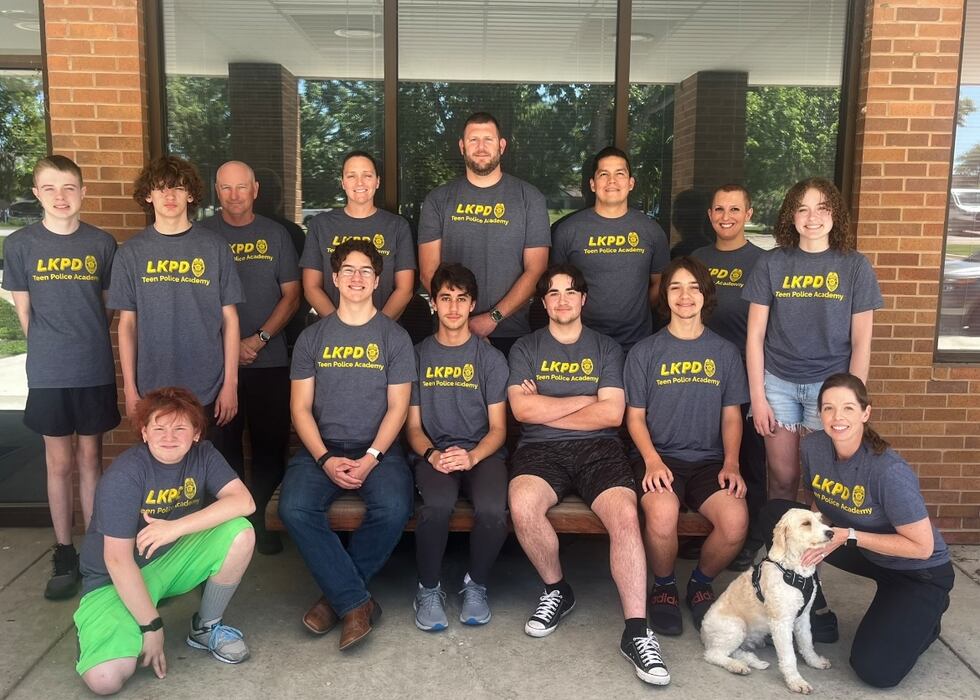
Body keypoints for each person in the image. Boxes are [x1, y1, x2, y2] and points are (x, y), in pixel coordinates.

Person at [507, 263, 670, 686]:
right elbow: (522, 411)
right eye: (553, 294)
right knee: (523, 505)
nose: (562, 300)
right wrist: (585, 399)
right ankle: (557, 589)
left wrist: (548, 404)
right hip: (539, 450)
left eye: (570, 292)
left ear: (583, 299)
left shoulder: (607, 348)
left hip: (600, 448)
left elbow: (613, 413)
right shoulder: (525, 347)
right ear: (544, 304)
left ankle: (636, 630)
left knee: (624, 516)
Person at [757, 373, 953, 689]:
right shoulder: (814, 446)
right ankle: (813, 605)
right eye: (829, 408)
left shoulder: (888, 471)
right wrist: (826, 532)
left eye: (848, 408)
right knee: (776, 516)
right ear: (819, 414)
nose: (837, 418)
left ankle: (927, 617)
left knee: (876, 671)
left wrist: (848, 535)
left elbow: (922, 547)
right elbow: (816, 506)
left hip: (917, 570)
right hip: (862, 549)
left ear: (865, 412)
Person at [278, 239, 416, 651]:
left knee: (395, 507)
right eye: (349, 271)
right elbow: (299, 408)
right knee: (294, 507)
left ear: (378, 281)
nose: (357, 279)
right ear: (335, 279)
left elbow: (398, 408)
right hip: (322, 449)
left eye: (366, 272)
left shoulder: (394, 337)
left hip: (379, 450)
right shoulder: (312, 337)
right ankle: (356, 601)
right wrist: (323, 458)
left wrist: (372, 457)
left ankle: (334, 600)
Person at [73, 387, 255, 695]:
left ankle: (206, 627)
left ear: (196, 433)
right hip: (115, 579)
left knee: (240, 531)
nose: (168, 436)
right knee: (105, 680)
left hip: (170, 561)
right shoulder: (126, 474)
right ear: (144, 432)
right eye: (159, 427)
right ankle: (98, 627)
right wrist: (151, 626)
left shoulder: (204, 454)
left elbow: (244, 502)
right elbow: (116, 560)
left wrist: (174, 528)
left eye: (180, 427)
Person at [2, 155, 119, 600]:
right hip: (49, 372)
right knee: (59, 462)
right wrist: (53, 349)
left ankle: (93, 554)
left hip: (93, 369)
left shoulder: (102, 244)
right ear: (36, 194)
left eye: (69, 187)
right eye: (49, 188)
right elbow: (24, 313)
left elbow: (107, 307)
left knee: (91, 460)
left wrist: (82, 341)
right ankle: (64, 550)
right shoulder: (21, 245)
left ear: (82, 192)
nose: (60, 197)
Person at [625, 257, 749, 635]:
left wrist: (731, 463)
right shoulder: (645, 352)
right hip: (658, 457)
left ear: (705, 295)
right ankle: (663, 587)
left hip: (709, 461)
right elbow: (634, 417)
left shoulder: (725, 353)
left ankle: (699, 583)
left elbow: (731, 416)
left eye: (694, 287)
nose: (685, 295)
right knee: (661, 515)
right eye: (676, 287)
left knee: (735, 522)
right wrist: (650, 460)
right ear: (665, 296)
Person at [743, 177, 882, 501]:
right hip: (778, 384)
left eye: (822, 208)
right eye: (802, 209)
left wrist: (851, 402)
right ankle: (781, 549)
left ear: (835, 214)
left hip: (830, 386)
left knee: (823, 483)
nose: (812, 217)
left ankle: (819, 552)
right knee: (782, 477)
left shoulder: (855, 266)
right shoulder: (772, 263)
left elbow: (862, 341)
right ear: (791, 216)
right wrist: (758, 398)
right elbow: (754, 336)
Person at [202, 161, 301, 555]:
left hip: (269, 360)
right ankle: (230, 528)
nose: (234, 195)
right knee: (222, 446)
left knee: (268, 447)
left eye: (241, 187)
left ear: (255, 188)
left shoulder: (276, 236)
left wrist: (257, 340)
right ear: (216, 190)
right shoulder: (203, 235)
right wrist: (228, 346)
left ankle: (259, 520)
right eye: (225, 188)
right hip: (216, 364)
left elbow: (292, 296)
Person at [405, 263, 509, 631]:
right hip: (434, 452)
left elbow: (499, 429)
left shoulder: (490, 360)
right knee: (436, 505)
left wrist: (473, 455)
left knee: (495, 509)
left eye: (461, 299)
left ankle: (475, 585)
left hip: (481, 453)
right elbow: (413, 427)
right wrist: (433, 454)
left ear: (472, 304)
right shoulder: (416, 356)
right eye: (445, 298)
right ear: (433, 303)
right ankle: (428, 588)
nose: (453, 307)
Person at [108, 156, 244, 432]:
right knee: (163, 470)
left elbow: (230, 320)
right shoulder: (131, 253)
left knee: (211, 469)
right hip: (153, 386)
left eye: (179, 188)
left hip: (210, 385)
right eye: (161, 188)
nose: (169, 196)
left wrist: (230, 383)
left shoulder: (215, 248)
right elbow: (127, 325)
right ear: (148, 195)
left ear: (190, 194)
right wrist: (130, 389)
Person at [418, 112, 550, 356]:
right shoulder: (438, 200)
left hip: (511, 333)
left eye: (488, 139)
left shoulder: (529, 198)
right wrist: (460, 319)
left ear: (501, 145)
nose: (480, 147)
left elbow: (537, 270)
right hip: (451, 333)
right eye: (473, 140)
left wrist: (493, 317)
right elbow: (428, 272)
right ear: (462, 146)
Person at [691, 184, 766, 570]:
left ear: (748, 214)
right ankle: (704, 530)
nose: (726, 216)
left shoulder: (764, 262)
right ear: (709, 214)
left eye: (735, 209)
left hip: (747, 371)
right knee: (709, 451)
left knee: (749, 457)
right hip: (701, 373)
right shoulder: (697, 260)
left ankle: (751, 538)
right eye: (719, 208)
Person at [551, 146, 669, 351]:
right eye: (604, 174)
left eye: (620, 174)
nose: (612, 181)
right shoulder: (568, 230)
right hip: (580, 343)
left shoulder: (651, 231)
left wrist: (635, 311)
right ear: (593, 184)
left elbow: (660, 283)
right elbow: (554, 288)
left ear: (631, 183)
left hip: (636, 344)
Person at [301, 151, 415, 320]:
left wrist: (378, 329)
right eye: (351, 176)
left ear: (377, 182)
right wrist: (338, 327)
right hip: (333, 336)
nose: (360, 182)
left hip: (383, 334)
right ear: (343, 182)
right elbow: (311, 287)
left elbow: (405, 289)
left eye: (367, 175)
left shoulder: (397, 226)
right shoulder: (321, 225)